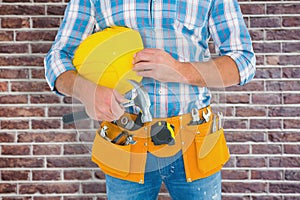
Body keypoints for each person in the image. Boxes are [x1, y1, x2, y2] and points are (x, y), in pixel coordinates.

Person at [44, 0, 256, 199]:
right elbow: (58, 56)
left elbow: (243, 60)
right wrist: (86, 91)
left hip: (195, 140)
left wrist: (180, 71)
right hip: (126, 138)